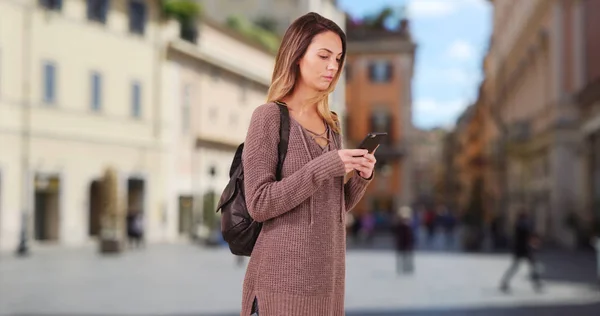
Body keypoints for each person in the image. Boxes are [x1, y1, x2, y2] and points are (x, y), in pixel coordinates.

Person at [240, 12, 376, 316]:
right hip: (281, 286)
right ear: (297, 56)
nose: (333, 66)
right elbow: (259, 203)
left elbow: (332, 207)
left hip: (328, 285)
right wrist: (326, 165)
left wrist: (360, 177)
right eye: (324, 55)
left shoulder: (332, 126)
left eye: (338, 58)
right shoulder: (269, 117)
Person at [499, 210, 542, 293]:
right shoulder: (524, 225)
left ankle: (504, 282)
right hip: (525, 249)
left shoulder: (518, 225)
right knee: (532, 266)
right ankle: (537, 284)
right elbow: (530, 235)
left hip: (520, 250)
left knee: (518, 267)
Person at [392, 206, 415, 274]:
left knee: (407, 258)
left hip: (407, 245)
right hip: (401, 245)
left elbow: (411, 237)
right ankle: (402, 269)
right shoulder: (399, 226)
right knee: (401, 258)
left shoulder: (408, 226)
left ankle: (408, 269)